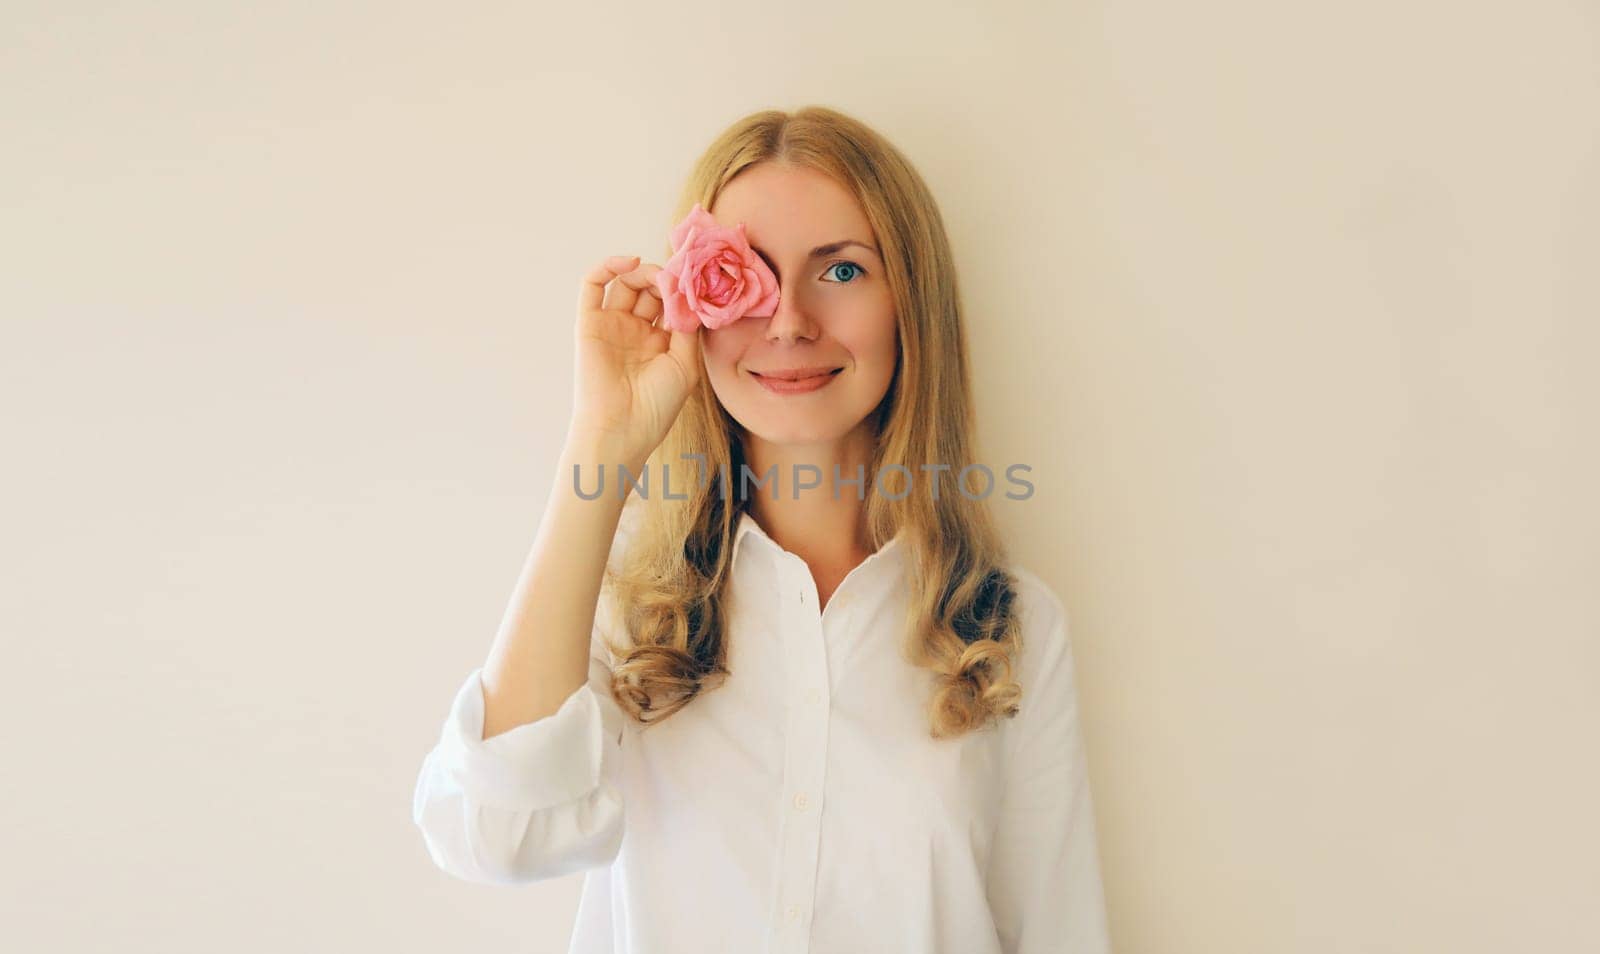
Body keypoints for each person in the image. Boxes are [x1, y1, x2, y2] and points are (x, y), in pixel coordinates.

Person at [411, 105, 1112, 954]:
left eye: (843, 271)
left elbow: (1058, 931)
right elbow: (494, 835)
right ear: (692, 309)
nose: (788, 322)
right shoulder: (621, 609)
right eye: (746, 274)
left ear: (909, 305)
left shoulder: (1017, 630)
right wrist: (603, 440)